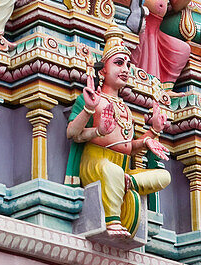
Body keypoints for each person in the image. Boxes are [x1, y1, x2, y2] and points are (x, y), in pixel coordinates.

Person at [66, 29, 170, 239]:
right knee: (112, 171)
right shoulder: (93, 99)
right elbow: (72, 133)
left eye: (128, 65)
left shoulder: (125, 108)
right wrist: (90, 115)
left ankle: (128, 184)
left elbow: (128, 147)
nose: (125, 69)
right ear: (102, 71)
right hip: (96, 162)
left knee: (164, 176)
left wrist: (152, 133)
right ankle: (112, 221)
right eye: (119, 63)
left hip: (120, 167)